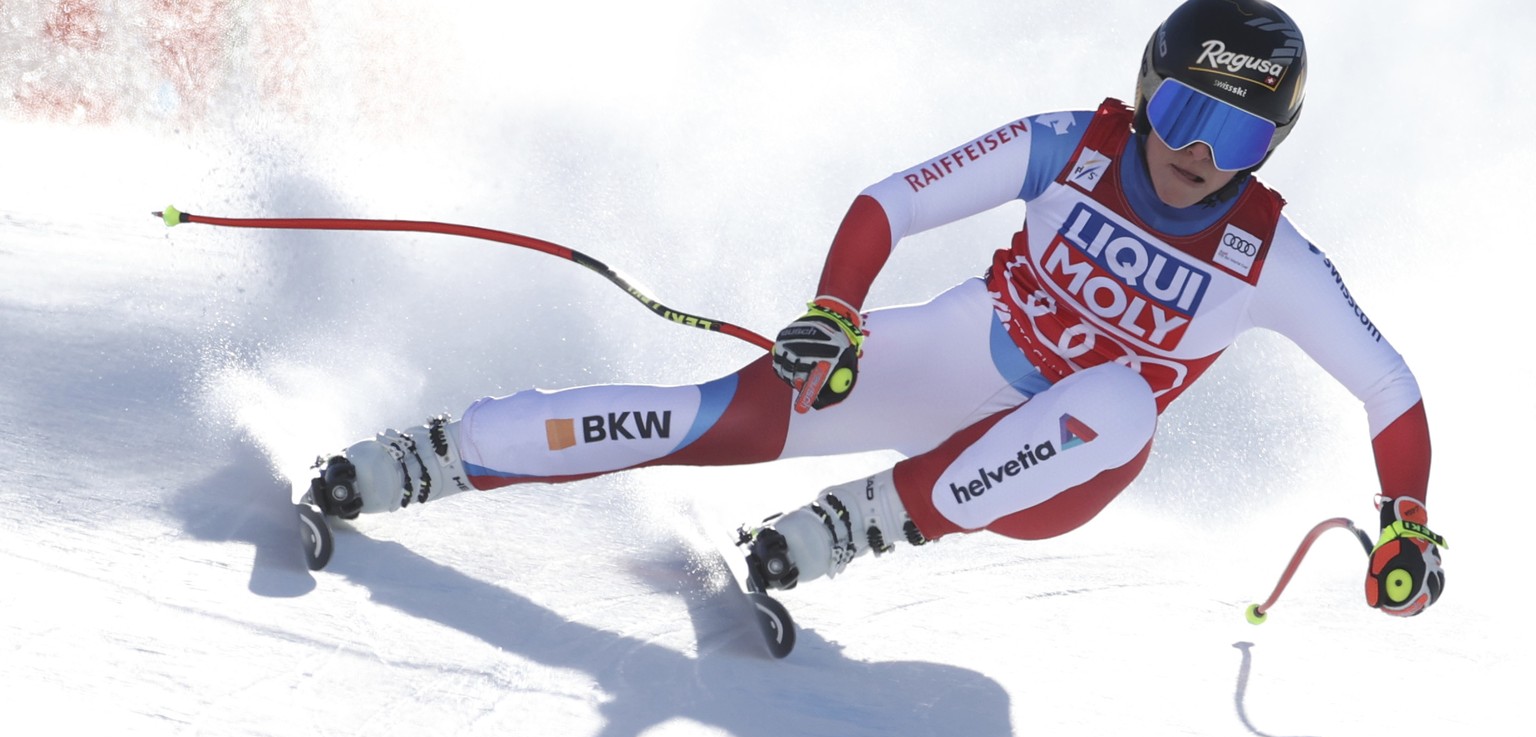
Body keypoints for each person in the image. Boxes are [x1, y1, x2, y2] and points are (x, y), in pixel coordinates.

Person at [310, 0, 1445, 617]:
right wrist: (836, 315)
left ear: (1271, 148)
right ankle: (429, 457)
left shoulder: (1268, 256)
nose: (1200, 155)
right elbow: (888, 204)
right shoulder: (1074, 146)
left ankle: (861, 522)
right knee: (709, 418)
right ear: (1148, 93)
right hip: (952, 355)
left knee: (1121, 401)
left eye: (1239, 136)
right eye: (1188, 113)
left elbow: (1389, 390)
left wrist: (1404, 520)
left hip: (1058, 465)